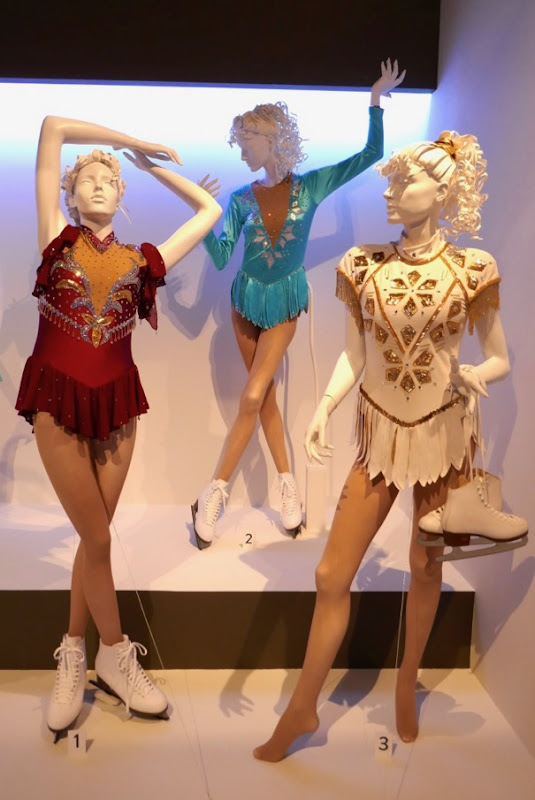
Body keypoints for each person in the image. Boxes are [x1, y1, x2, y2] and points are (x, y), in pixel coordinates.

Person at [253, 130, 520, 761]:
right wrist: (323, 407)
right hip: (378, 434)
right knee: (330, 574)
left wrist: (477, 373)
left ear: (443, 191)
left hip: (444, 434)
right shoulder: (362, 264)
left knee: (425, 566)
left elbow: (501, 357)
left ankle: (407, 680)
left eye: (407, 181)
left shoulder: (473, 268)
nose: (392, 192)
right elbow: (354, 354)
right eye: (392, 181)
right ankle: (303, 706)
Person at [15, 115, 221, 739]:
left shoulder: (143, 259)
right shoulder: (55, 238)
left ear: (122, 193)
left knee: (93, 537)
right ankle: (115, 650)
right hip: (56, 397)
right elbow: (52, 129)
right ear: (69, 194)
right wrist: (130, 141)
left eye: (110, 178)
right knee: (100, 539)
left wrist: (152, 168)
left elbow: (209, 210)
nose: (100, 183)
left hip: (118, 406)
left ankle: (74, 650)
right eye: (88, 178)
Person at [192, 60, 405, 549]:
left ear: (270, 140)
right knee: (263, 397)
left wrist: (375, 100)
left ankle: (213, 489)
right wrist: (204, 216)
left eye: (246, 142)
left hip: (285, 301)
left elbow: (371, 153)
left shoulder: (311, 187)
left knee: (251, 397)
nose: (241, 151)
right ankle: (287, 483)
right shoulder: (241, 199)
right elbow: (222, 255)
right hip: (244, 301)